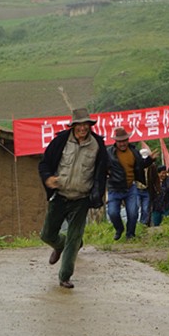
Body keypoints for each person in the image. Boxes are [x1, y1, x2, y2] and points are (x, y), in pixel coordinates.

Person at [38, 108, 108, 289]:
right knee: (47, 235)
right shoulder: (61, 141)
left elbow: (102, 171)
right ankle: (59, 245)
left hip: (81, 198)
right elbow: (44, 163)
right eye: (79, 125)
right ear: (73, 126)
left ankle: (65, 276)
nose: (83, 128)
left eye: (86, 125)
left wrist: (97, 193)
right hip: (60, 196)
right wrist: (48, 178)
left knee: (74, 238)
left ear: (90, 126)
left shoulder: (97, 145)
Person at [105, 127, 156, 240]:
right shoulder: (109, 153)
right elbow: (102, 168)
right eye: (120, 141)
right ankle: (119, 229)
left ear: (128, 140)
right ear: (116, 141)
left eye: (124, 140)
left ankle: (130, 234)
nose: (122, 143)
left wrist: (149, 160)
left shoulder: (134, 151)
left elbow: (140, 165)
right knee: (112, 213)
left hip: (130, 187)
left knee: (133, 213)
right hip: (114, 188)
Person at [136, 148, 153, 227]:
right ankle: (135, 223)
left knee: (145, 208)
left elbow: (154, 179)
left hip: (146, 190)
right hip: (137, 189)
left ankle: (143, 223)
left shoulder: (151, 167)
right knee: (136, 207)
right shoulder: (136, 166)